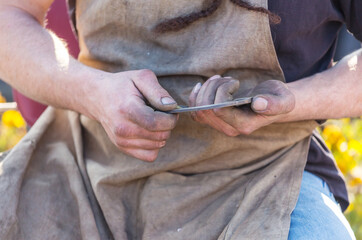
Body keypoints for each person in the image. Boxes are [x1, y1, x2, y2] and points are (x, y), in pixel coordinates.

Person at [0, 0, 360, 239]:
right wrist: (92, 92)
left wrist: (295, 100)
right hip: (85, 164)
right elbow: (9, 16)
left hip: (265, 173)